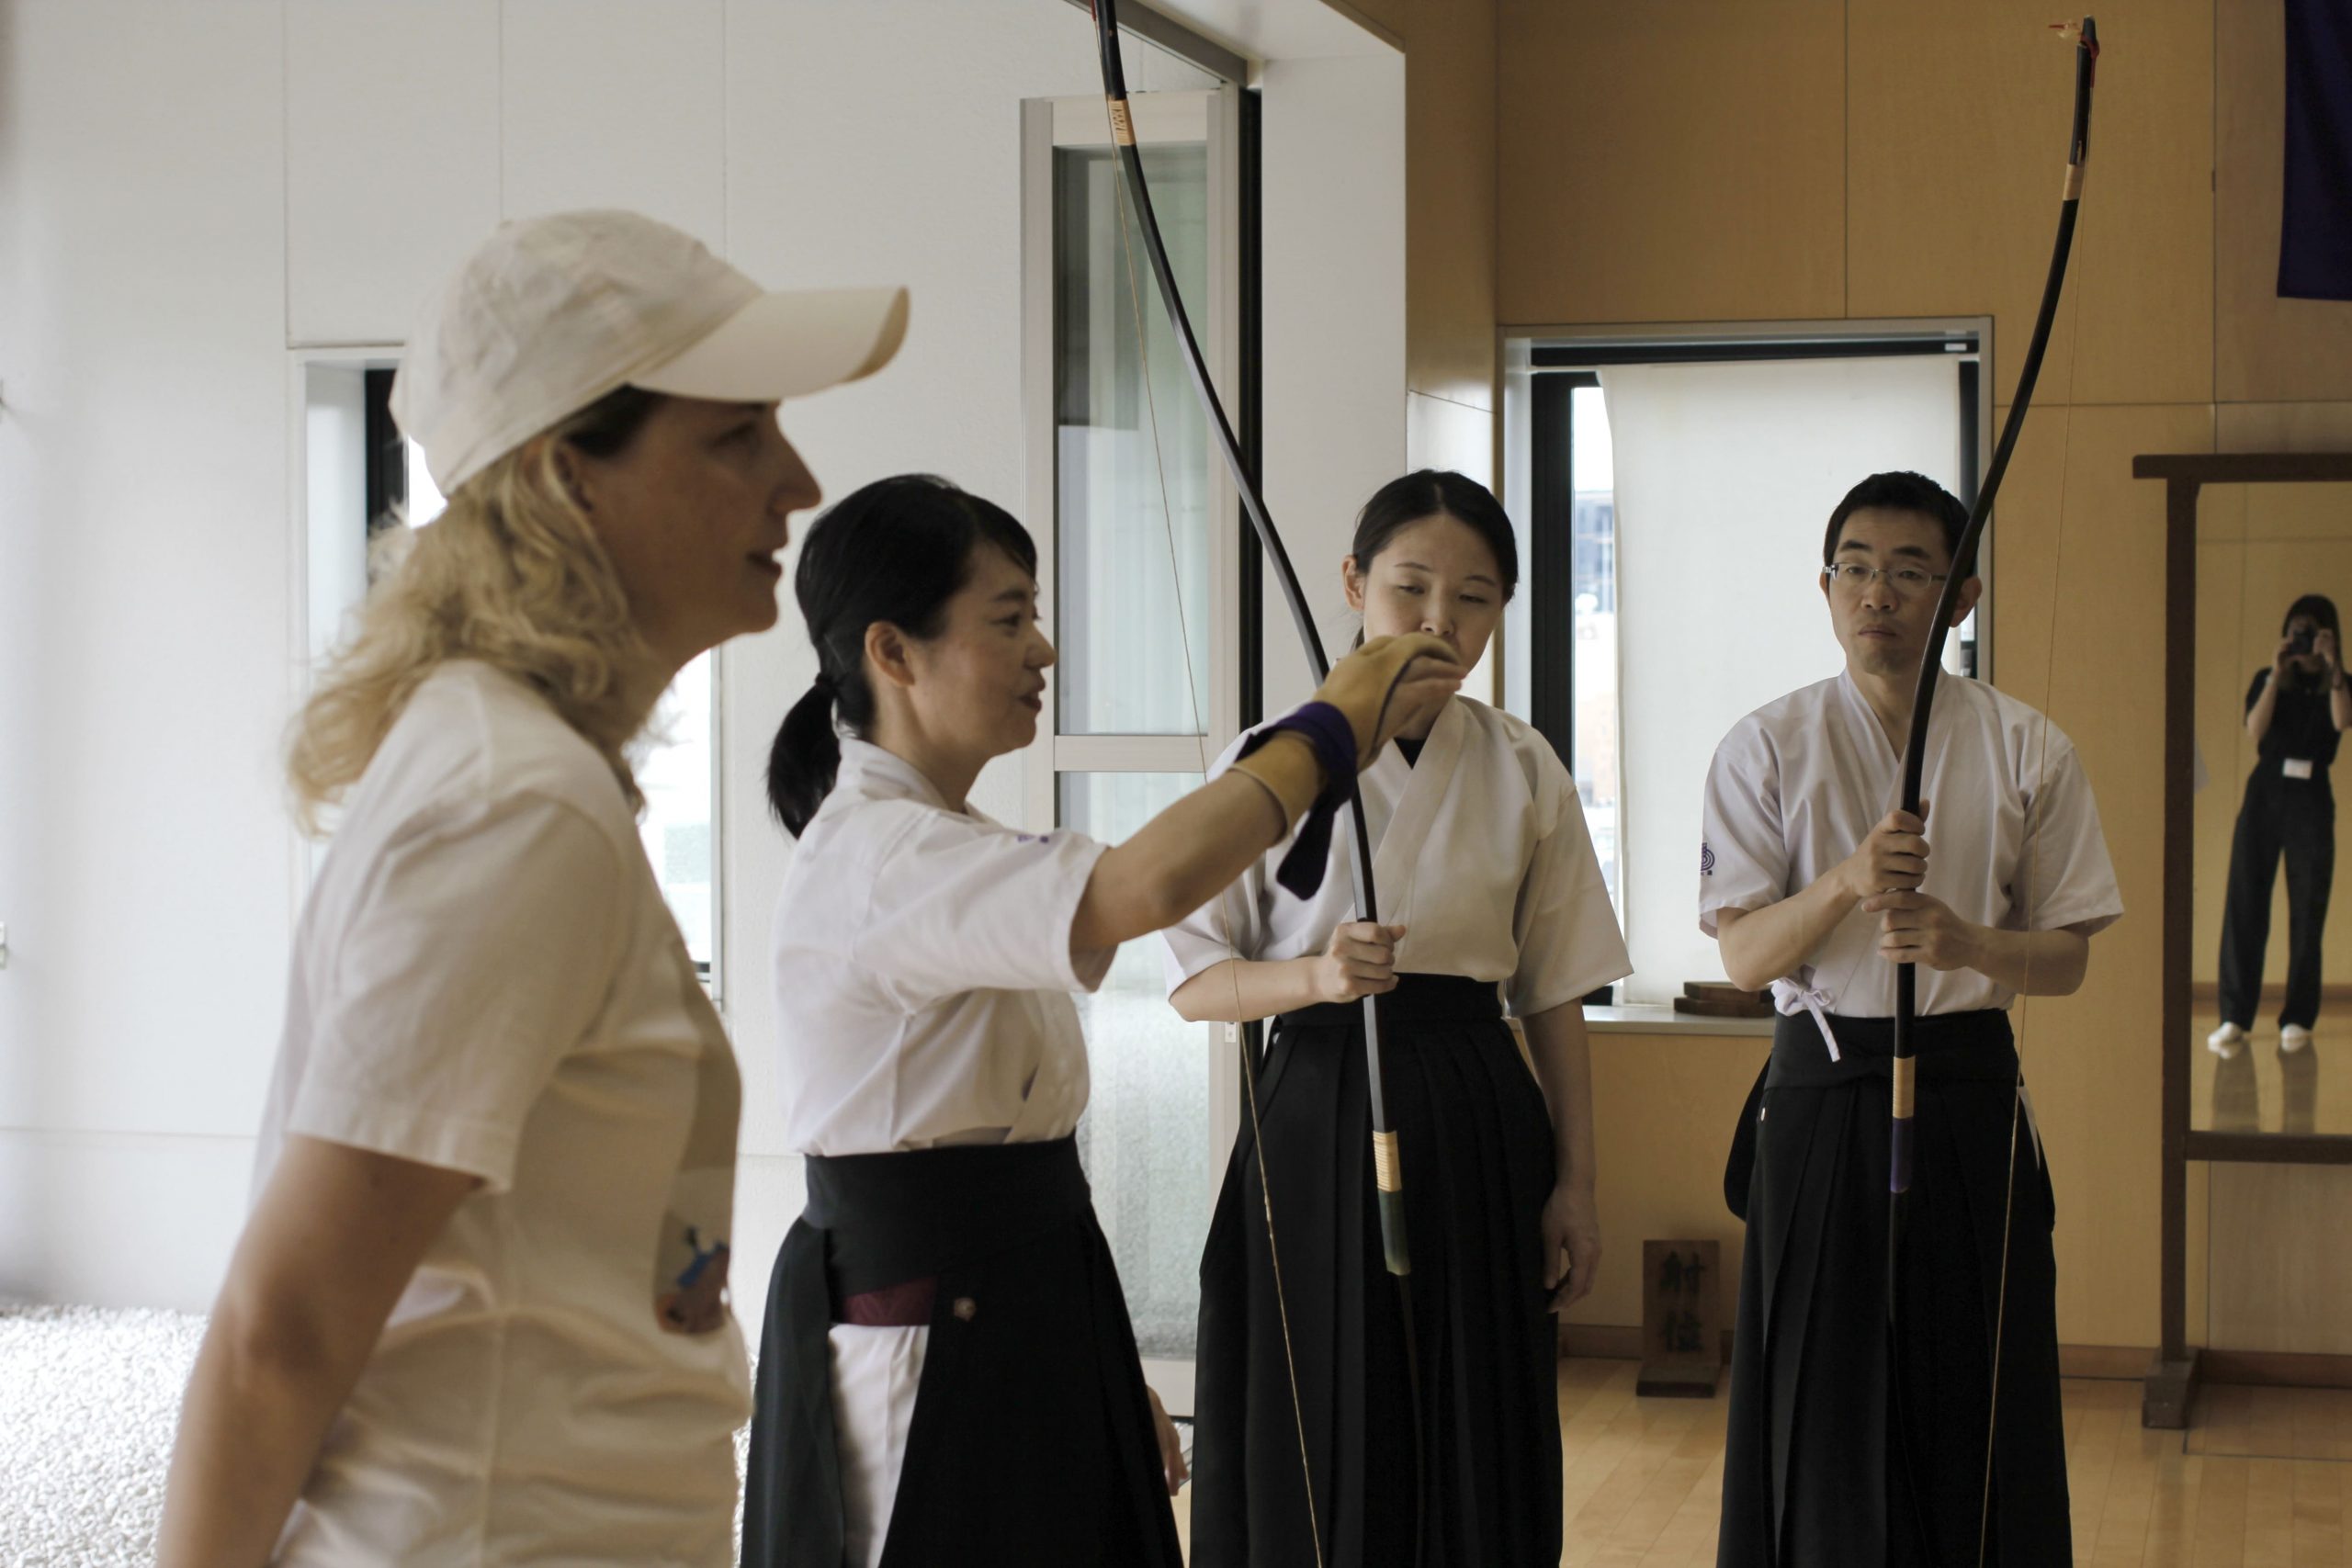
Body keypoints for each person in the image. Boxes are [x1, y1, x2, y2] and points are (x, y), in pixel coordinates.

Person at [156, 209, 909, 1567]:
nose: (795, 483)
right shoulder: (516, 803)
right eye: (735, 437)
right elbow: (284, 1329)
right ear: (569, 480)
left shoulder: (517, 768)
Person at [743, 474, 1464, 1568]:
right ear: (892, 651)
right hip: (927, 1331)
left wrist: (1105, 1362)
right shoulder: (880, 853)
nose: (1042, 650)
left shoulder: (944, 838)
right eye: (1008, 620)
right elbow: (1143, 887)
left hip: (1025, 1291)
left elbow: (1029, 1171)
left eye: (1035, 616)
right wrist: (1327, 731)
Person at [1161, 470, 1630, 1567]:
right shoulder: (1269, 760)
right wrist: (1315, 980)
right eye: (1409, 587)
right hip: (1317, 1106)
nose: (1438, 621)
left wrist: (1576, 1183)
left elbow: (1553, 991)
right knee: (1323, 1394)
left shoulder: (1521, 763)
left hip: (1475, 1105)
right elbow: (1194, 982)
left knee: (1476, 1404)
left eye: (1473, 598)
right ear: (1352, 585)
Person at [1702, 471, 2122, 1567]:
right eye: (1853, 568)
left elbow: (2069, 957)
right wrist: (1844, 882)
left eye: (1907, 571)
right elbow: (1743, 957)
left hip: (1968, 1089)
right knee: (1820, 1398)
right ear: (1825, 588)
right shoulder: (1766, 743)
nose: (1875, 593)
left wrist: (1966, 942)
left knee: (1974, 1386)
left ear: (1961, 595)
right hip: (1823, 1090)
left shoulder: (2027, 746)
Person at [2209, 594, 2349, 1058]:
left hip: (2312, 796)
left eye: (2311, 632)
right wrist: (2276, 671)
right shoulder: (2267, 679)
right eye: (2295, 631)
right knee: (2245, 899)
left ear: (2329, 634)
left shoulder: (2339, 682)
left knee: (2308, 906)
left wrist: (2333, 665)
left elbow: (2342, 721)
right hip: (2265, 793)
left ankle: (2298, 1017)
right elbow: (2255, 730)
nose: (2302, 640)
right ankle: (2234, 1015)